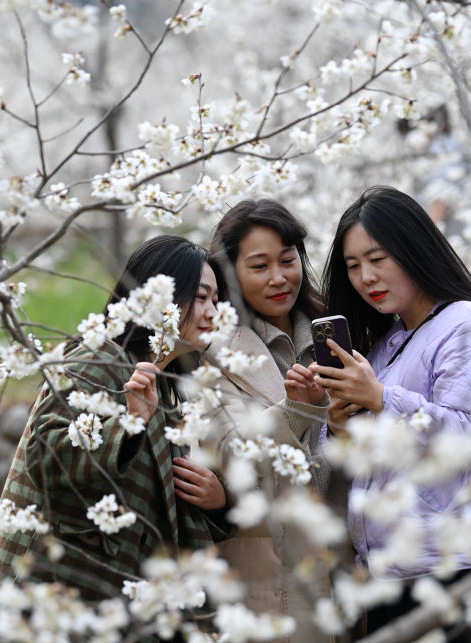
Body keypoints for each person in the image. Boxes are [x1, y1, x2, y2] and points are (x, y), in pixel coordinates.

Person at [0, 235, 231, 643]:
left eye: (216, 300)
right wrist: (125, 425)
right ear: (161, 297)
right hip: (55, 592)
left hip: (108, 601)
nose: (213, 312)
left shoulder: (166, 395)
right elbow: (47, 456)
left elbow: (160, 514)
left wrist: (218, 504)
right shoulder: (97, 358)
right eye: (202, 298)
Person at [311, 186, 471, 640]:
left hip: (462, 572)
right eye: (353, 266)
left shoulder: (469, 325)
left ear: (414, 250)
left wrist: (381, 400)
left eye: (379, 258)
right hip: (395, 572)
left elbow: (467, 439)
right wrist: (338, 424)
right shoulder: (387, 342)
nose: (366, 277)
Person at [194, 198, 340, 642]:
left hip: (346, 560)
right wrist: (298, 409)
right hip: (270, 573)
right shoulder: (212, 353)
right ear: (229, 274)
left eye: (287, 260)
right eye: (259, 266)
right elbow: (231, 456)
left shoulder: (334, 334)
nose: (280, 278)